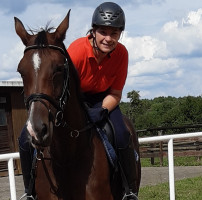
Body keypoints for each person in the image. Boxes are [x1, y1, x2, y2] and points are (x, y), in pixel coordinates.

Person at [67, 2, 138, 198]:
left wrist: (102, 110)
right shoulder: (76, 51)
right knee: (26, 136)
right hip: (76, 98)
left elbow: (115, 93)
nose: (108, 38)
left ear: (120, 35)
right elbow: (65, 91)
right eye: (103, 32)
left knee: (123, 134)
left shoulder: (122, 54)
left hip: (104, 98)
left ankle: (129, 190)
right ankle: (30, 192)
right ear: (94, 31)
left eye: (114, 34)